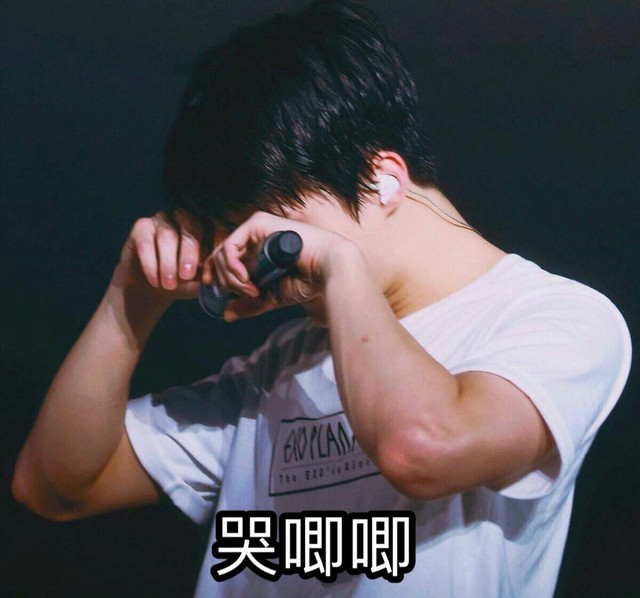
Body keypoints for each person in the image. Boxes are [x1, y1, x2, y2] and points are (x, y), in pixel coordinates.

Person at [12, 1, 631, 596]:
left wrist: (339, 265)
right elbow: (56, 486)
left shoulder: (558, 318)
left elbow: (423, 447)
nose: (251, 258)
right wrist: (131, 301)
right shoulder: (280, 367)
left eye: (268, 229)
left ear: (382, 178)